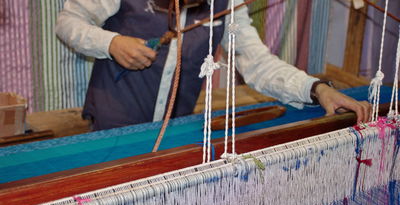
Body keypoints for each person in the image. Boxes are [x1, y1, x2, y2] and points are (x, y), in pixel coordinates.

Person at [56, 0, 371, 131]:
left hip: (174, 135)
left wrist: (317, 90)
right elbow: (68, 21)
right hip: (114, 130)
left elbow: (257, 63)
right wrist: (110, 43)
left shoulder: (227, 3)